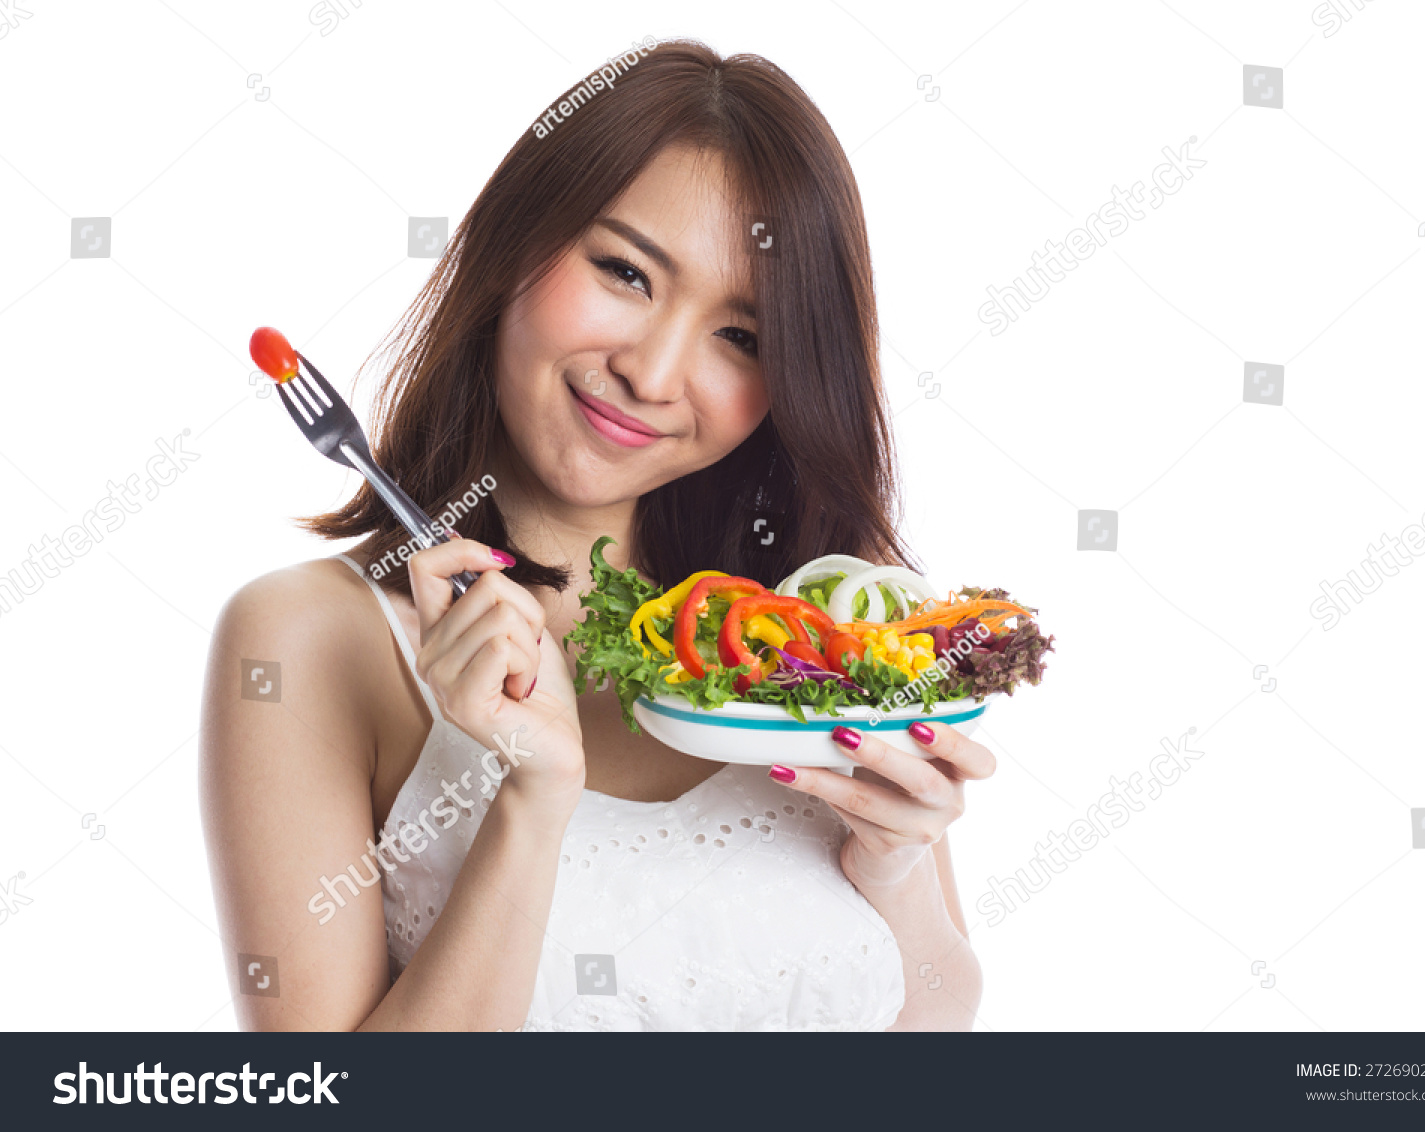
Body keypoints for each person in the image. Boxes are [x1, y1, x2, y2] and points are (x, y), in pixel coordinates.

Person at [201, 39, 994, 1032]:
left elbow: (940, 1019)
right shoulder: (308, 640)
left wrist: (898, 864)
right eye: (624, 271)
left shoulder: (812, 627)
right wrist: (530, 808)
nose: (654, 374)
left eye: (740, 337)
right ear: (512, 247)